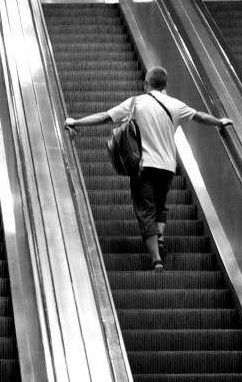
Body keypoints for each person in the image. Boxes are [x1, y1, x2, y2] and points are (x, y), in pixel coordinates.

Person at [64, 66, 232, 271]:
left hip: (143, 167)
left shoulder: (136, 103)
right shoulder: (175, 105)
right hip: (168, 167)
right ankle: (159, 238)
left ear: (146, 82)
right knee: (160, 206)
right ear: (165, 85)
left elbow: (104, 117)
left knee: (145, 210)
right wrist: (220, 122)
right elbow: (200, 117)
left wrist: (76, 122)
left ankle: (156, 259)